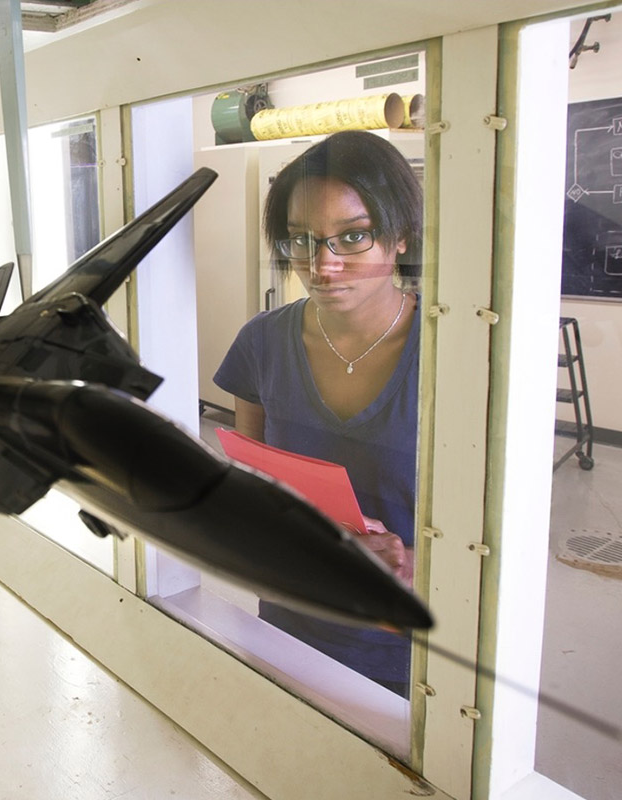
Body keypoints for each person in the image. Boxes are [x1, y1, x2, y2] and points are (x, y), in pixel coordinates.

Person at [212, 130, 423, 697]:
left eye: (352, 237)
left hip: (408, 653)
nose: (322, 266)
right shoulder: (263, 343)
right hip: (290, 626)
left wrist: (410, 564)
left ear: (400, 235)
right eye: (301, 240)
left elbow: (498, 539)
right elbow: (251, 492)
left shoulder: (453, 355)